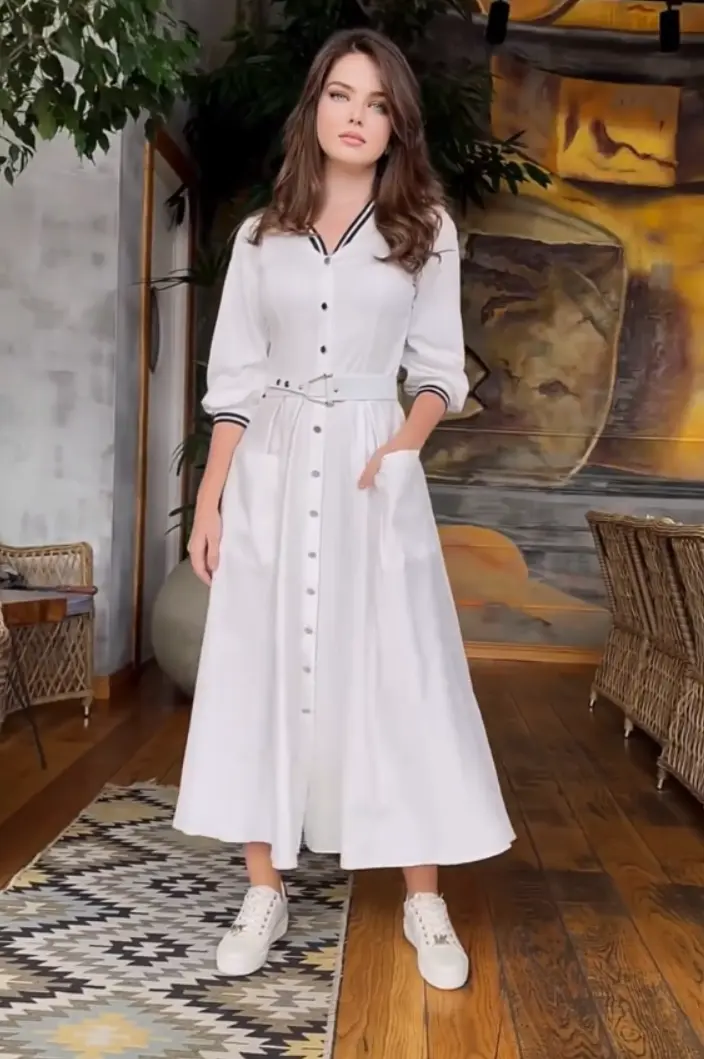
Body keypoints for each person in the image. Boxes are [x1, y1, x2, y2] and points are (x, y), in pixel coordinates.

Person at [173, 26, 515, 993]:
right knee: (261, 664)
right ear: (314, 106)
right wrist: (210, 497)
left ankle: (422, 898)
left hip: (374, 467)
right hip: (272, 465)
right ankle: (264, 886)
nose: (356, 117)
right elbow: (236, 378)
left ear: (398, 124)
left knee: (400, 668)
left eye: (377, 103)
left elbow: (440, 371)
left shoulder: (426, 230)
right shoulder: (261, 235)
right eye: (341, 96)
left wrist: (403, 446)